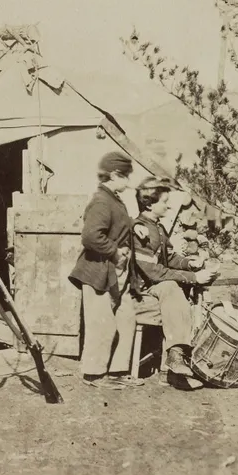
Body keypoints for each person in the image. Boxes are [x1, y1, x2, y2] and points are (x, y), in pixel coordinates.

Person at [125, 177, 219, 389]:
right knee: (171, 287)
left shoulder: (157, 228)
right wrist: (193, 278)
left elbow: (169, 257)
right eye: (164, 201)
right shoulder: (139, 230)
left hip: (152, 287)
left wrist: (189, 264)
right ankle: (176, 356)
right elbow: (153, 272)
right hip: (140, 291)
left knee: (177, 290)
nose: (168, 205)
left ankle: (178, 364)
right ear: (149, 204)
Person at [68, 151, 141, 390]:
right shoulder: (101, 200)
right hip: (98, 270)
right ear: (114, 175)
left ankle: (118, 371)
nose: (129, 181)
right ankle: (94, 374)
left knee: (125, 318)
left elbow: (117, 224)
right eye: (126, 176)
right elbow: (90, 237)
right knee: (102, 324)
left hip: (115, 272)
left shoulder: (114, 198)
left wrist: (134, 229)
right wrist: (115, 251)